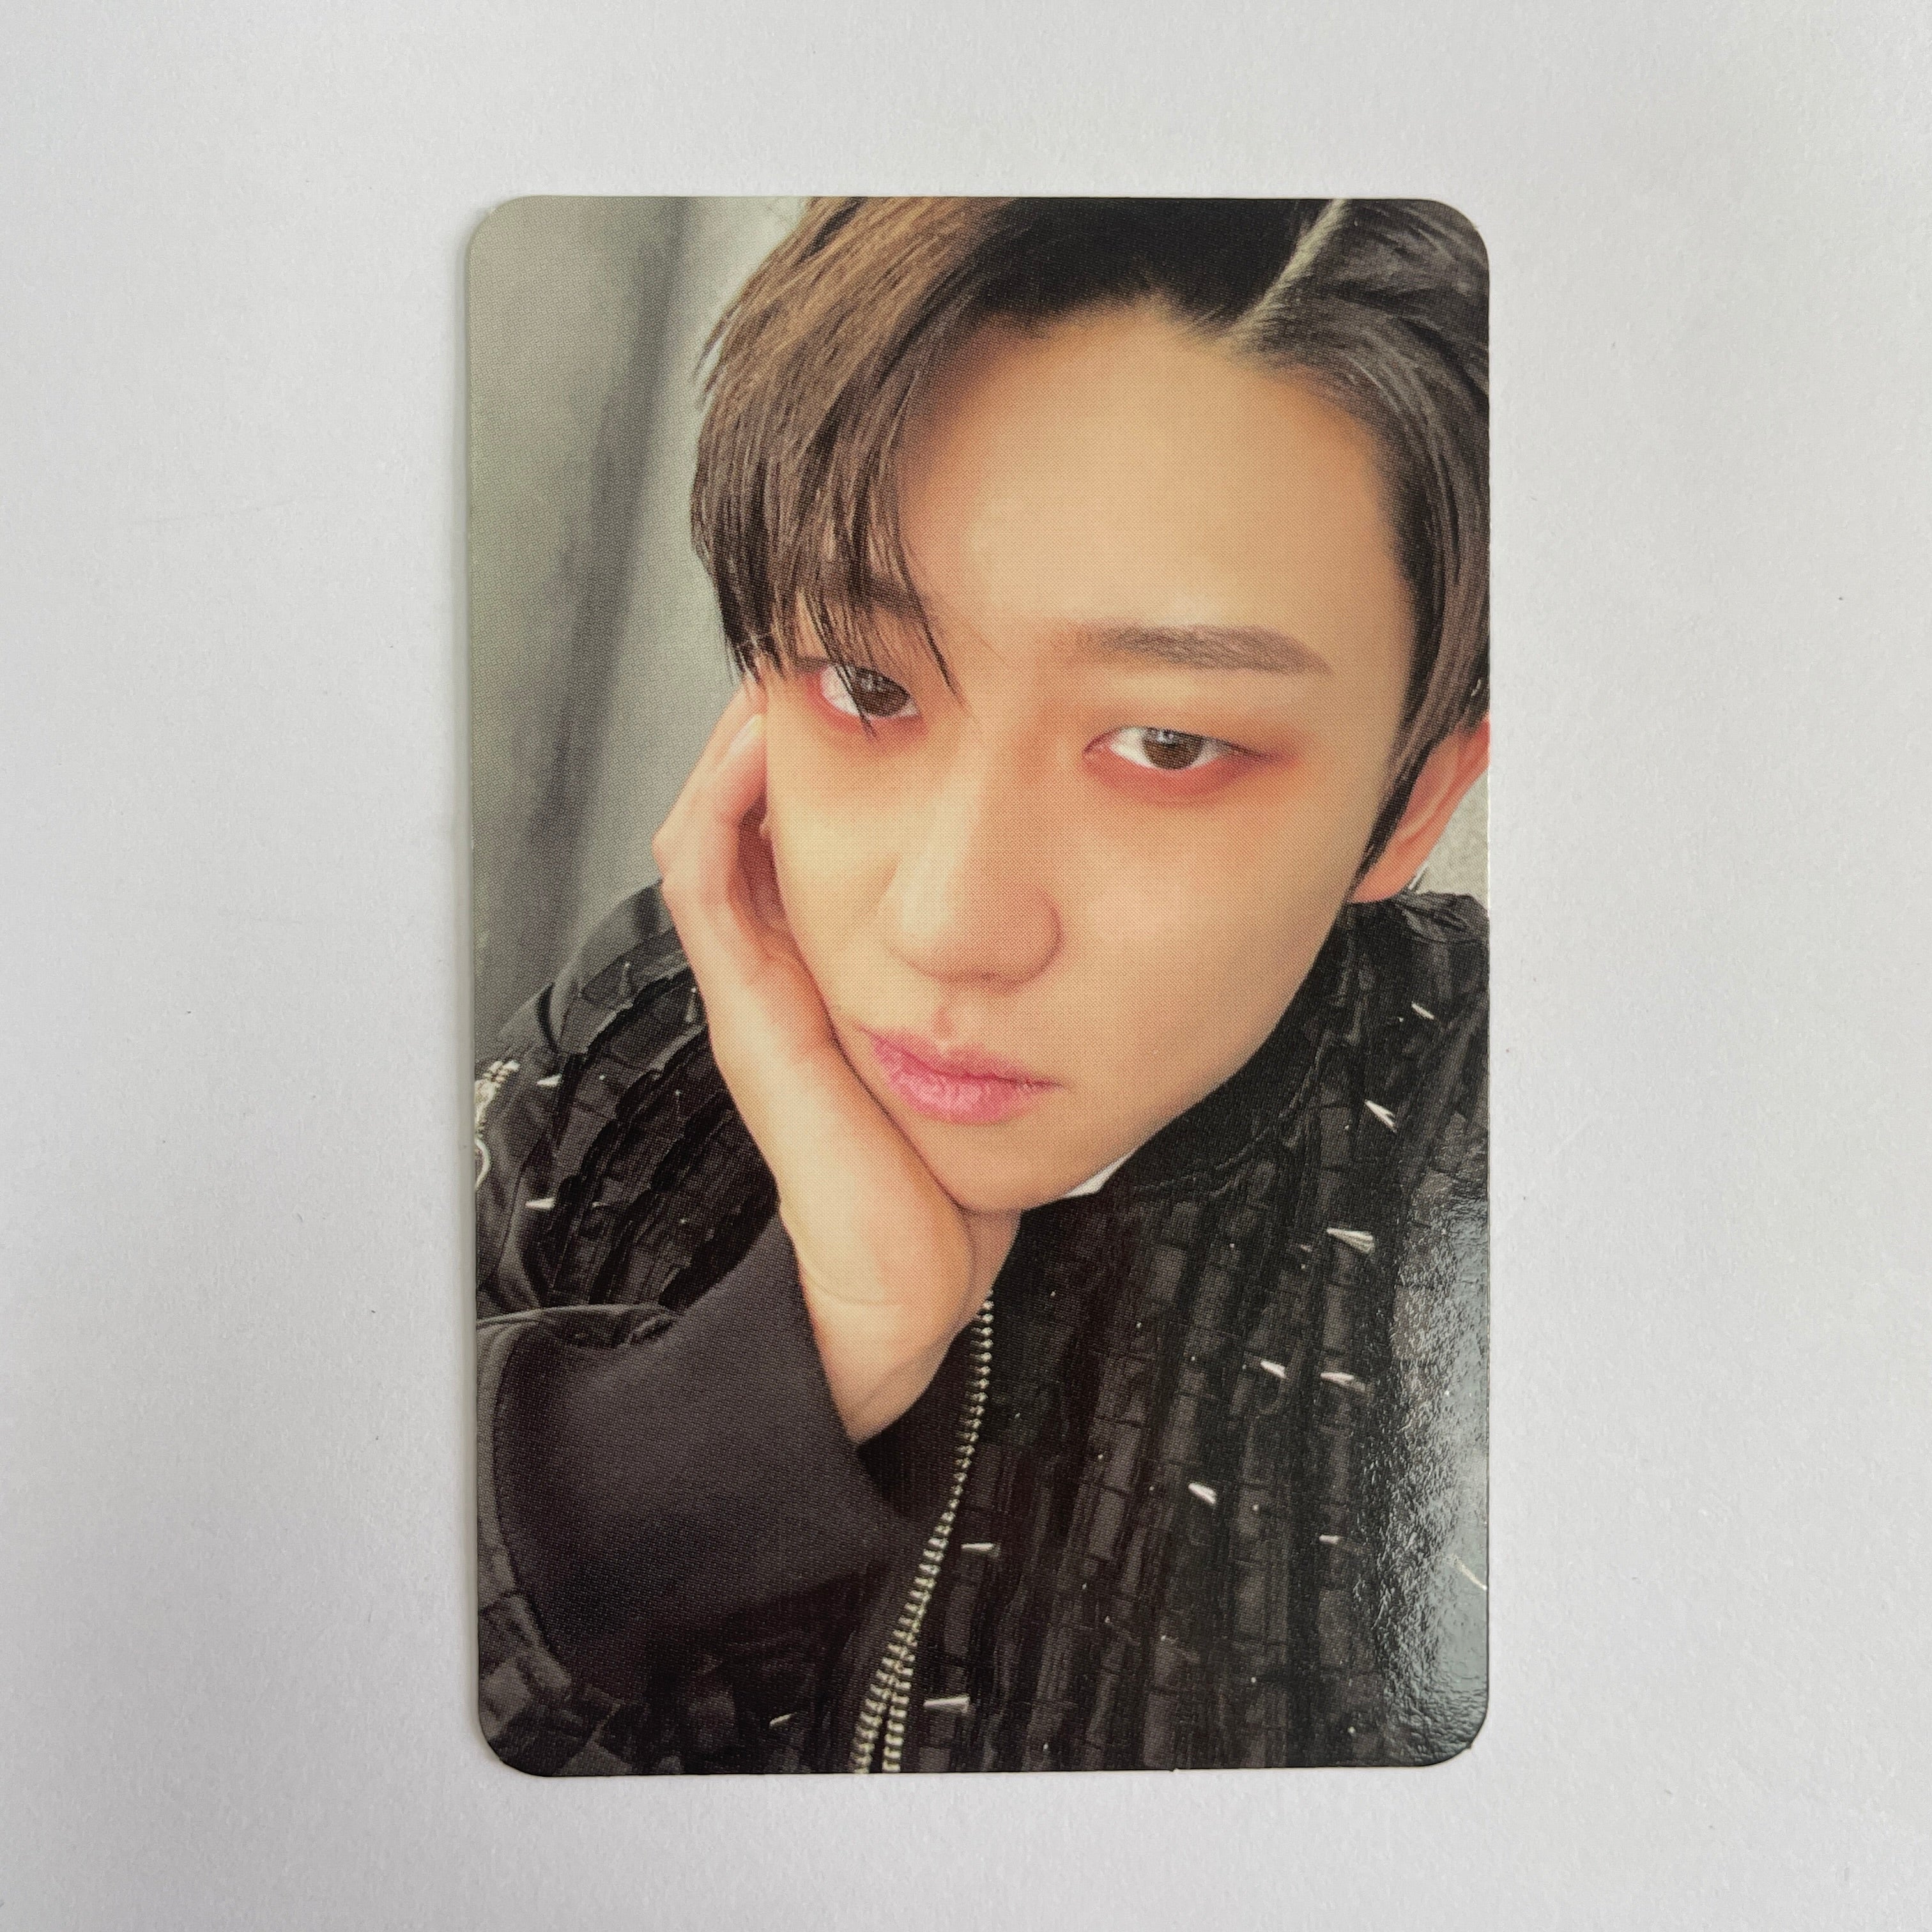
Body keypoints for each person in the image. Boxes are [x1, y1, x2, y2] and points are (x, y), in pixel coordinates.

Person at [475, 196, 1489, 1774]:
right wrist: (782, 1368)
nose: (945, 924)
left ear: (1411, 802)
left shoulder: (1550, 1162)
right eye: (867, 685)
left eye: (1168, 742)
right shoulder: (637, 1042)